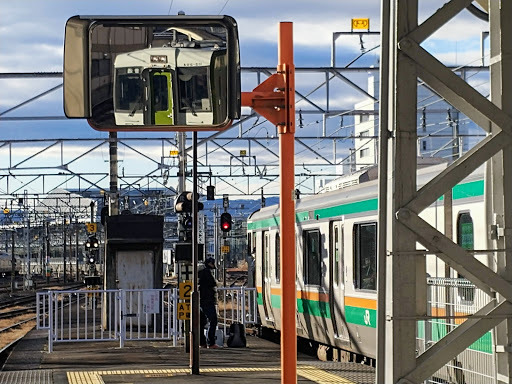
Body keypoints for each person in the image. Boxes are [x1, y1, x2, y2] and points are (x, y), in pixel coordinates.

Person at [199, 257, 219, 348]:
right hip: (207, 300)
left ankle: (202, 342)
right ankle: (211, 342)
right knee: (213, 320)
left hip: (200, 300)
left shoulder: (200, 272)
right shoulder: (206, 272)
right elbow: (212, 283)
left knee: (201, 322)